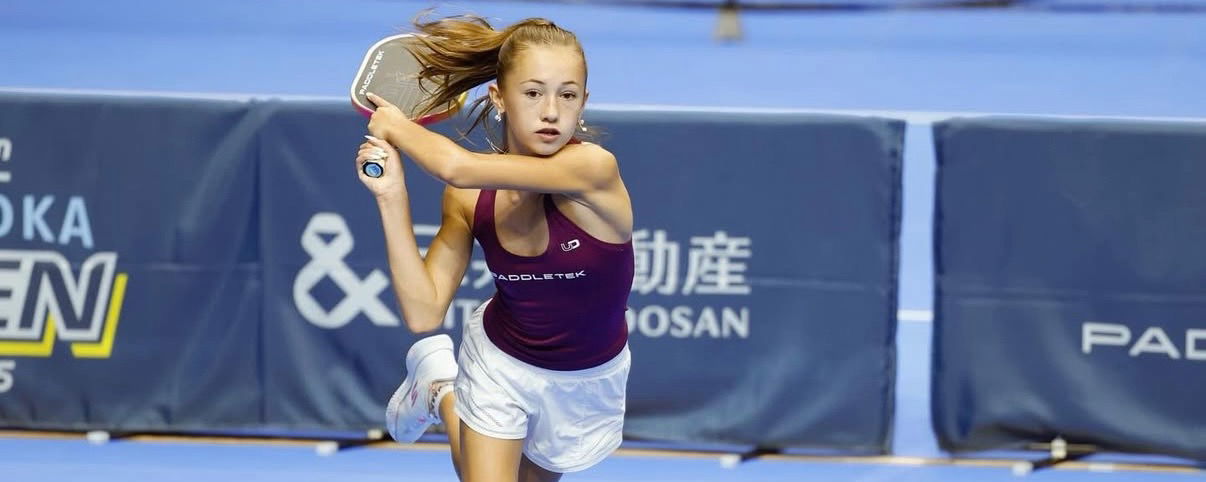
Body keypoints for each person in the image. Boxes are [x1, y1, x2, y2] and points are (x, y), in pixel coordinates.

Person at [354, 14, 635, 482]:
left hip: (587, 377)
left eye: (567, 94)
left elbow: (457, 166)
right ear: (498, 98)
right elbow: (423, 313)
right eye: (532, 92)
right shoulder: (467, 200)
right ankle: (452, 386)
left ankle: (440, 389)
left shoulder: (593, 170)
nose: (550, 111)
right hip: (502, 357)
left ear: (583, 102)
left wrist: (394, 124)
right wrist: (392, 197)